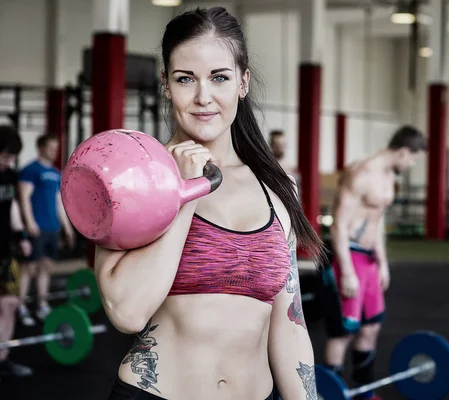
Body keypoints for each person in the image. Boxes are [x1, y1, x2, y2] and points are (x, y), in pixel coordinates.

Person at [96, 7, 323, 400]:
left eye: (219, 77)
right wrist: (186, 192)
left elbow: (289, 321)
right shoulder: (131, 178)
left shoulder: (277, 186)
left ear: (243, 82)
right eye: (186, 79)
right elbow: (127, 312)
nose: (203, 97)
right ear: (166, 84)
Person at [321, 125, 426, 400]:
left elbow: (377, 218)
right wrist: (346, 272)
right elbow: (339, 226)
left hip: (369, 261)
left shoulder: (390, 174)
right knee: (343, 332)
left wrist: (382, 260)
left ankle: (363, 393)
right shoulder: (361, 173)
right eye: (413, 158)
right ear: (403, 151)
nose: (412, 164)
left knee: (371, 327)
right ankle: (331, 394)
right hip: (349, 257)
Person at [17, 133, 75, 326]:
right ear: (41, 147)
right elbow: (24, 198)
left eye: (55, 148)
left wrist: (67, 227)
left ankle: (42, 305)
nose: (54, 151)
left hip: (53, 228)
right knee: (28, 269)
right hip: (36, 228)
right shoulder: (30, 171)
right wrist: (30, 222)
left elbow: (59, 202)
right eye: (50, 148)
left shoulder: (57, 173)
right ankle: (21, 307)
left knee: (46, 267)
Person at [0, 125, 33, 379]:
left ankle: (2, 358)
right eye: (4, 156)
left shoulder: (9, 175)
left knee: (10, 304)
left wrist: (21, 235)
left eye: (11, 158)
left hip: (5, 251)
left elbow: (11, 209)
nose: (7, 162)